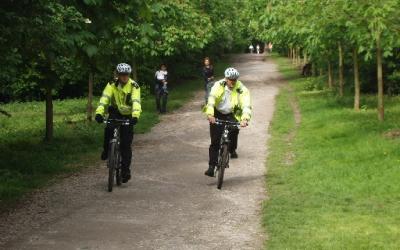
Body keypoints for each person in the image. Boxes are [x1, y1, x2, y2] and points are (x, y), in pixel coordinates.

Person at [95, 63, 141, 183]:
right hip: (115, 112)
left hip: (128, 116)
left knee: (126, 145)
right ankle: (106, 150)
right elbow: (104, 98)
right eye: (122, 74)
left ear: (129, 75)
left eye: (126, 74)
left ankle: (125, 171)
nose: (124, 77)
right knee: (109, 129)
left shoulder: (134, 86)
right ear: (118, 75)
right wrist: (99, 113)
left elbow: (136, 102)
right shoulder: (111, 84)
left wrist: (135, 116)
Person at [204, 67, 252, 177]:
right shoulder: (218, 85)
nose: (233, 82)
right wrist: (210, 114)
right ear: (226, 78)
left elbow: (246, 104)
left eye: (235, 79)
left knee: (235, 130)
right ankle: (212, 167)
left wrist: (245, 118)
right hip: (217, 112)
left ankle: (232, 149)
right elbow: (211, 100)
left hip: (232, 113)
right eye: (231, 79)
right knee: (215, 141)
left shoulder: (241, 88)